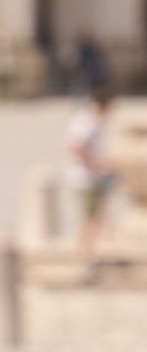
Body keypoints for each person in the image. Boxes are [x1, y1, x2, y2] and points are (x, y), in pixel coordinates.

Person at [65, 84, 115, 254]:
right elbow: (76, 146)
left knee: (94, 216)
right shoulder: (87, 122)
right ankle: (85, 251)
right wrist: (94, 166)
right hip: (85, 177)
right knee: (90, 217)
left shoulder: (89, 120)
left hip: (90, 176)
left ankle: (89, 249)